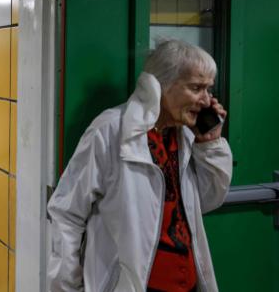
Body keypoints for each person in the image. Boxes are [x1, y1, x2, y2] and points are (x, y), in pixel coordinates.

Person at [47, 39, 233, 292]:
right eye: (196, 88)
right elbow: (66, 214)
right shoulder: (112, 130)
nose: (206, 100)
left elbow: (208, 200)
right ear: (162, 85)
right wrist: (66, 288)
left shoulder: (187, 135)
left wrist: (209, 144)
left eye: (208, 89)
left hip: (186, 284)